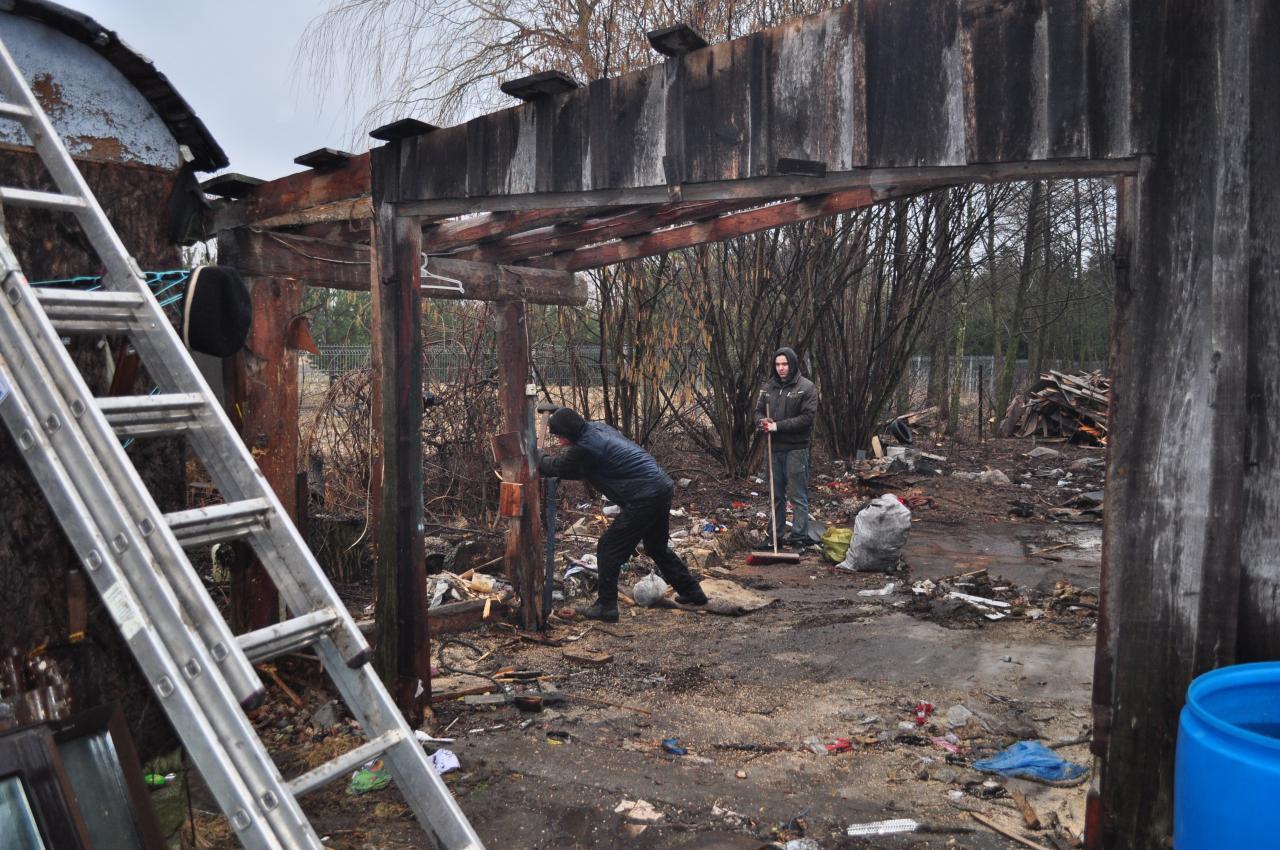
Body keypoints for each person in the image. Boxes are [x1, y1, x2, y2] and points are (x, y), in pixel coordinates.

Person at [537, 408, 707, 622]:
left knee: (608, 547)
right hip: (661, 485)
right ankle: (692, 591)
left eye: (561, 436)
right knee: (656, 546)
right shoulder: (597, 428)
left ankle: (606, 607)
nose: (560, 441)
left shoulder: (587, 449)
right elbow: (572, 466)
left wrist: (537, 455)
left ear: (569, 432)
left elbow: (557, 467)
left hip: (645, 495)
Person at [756, 347, 818, 547]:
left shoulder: (806, 388)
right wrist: (762, 421)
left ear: (792, 364)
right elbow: (757, 411)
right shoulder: (768, 388)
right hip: (774, 448)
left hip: (796, 449)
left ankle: (799, 537)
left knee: (797, 496)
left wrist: (777, 426)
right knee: (776, 495)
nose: (781, 368)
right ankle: (775, 537)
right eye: (777, 364)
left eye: (785, 364)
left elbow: (807, 418)